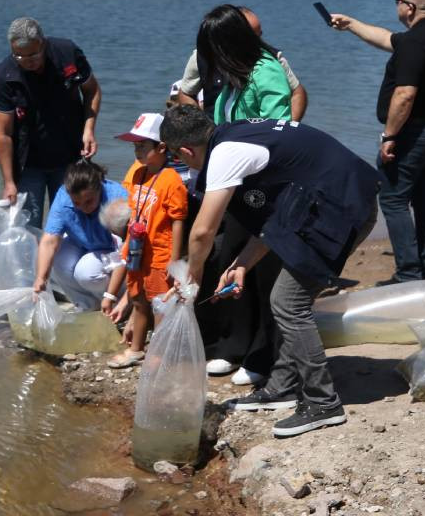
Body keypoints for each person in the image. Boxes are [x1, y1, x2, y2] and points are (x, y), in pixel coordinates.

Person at [161, 105, 378, 438]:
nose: (183, 164)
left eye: (178, 157)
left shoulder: (225, 154)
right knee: (285, 297)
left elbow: (203, 231)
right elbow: (276, 218)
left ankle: (323, 402)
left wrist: (193, 272)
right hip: (332, 199)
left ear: (186, 150)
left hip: (343, 207)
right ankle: (284, 386)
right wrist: (243, 262)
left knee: (288, 302)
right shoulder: (237, 135)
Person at [183, 5, 293, 385]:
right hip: (233, 181)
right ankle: (233, 344)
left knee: (262, 270)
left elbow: (278, 130)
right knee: (230, 258)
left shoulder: (267, 71)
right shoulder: (231, 74)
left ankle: (264, 354)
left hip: (263, 182)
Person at [329, 0, 425, 283]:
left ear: (409, 7)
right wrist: (352, 24)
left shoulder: (414, 43)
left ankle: (410, 274)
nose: (396, 4)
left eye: (398, 0)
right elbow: (387, 39)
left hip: (415, 135)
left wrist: (389, 136)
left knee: (393, 199)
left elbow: (405, 95)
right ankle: (423, 267)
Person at [0, 17, 102, 227]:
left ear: (43, 43)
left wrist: (89, 129)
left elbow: (92, 90)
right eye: (19, 56)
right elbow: (3, 134)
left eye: (33, 54)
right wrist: (8, 182)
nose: (27, 61)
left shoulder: (67, 52)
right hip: (28, 165)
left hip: (70, 158)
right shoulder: (5, 76)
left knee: (72, 224)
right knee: (28, 229)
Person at [101, 113, 188, 368]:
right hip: (137, 251)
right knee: (138, 300)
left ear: (162, 147)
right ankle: (137, 349)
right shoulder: (137, 174)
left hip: (161, 252)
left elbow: (178, 220)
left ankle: (159, 354)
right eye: (135, 146)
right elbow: (130, 211)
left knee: (161, 304)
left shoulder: (171, 180)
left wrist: (174, 261)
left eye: (143, 145)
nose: (137, 151)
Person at [176, 6, 308, 121]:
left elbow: (277, 127)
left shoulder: (268, 68)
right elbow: (186, 93)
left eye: (258, 35)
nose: (255, 42)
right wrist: (202, 130)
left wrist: (291, 128)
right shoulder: (204, 56)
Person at [32, 160, 129, 311]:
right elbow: (49, 241)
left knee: (85, 272)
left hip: (113, 249)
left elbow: (128, 251)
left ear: (99, 188)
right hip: (82, 242)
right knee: (56, 260)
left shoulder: (117, 197)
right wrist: (41, 278)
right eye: (76, 203)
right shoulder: (63, 196)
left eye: (89, 201)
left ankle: (114, 303)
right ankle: (86, 303)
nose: (83, 208)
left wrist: (110, 295)